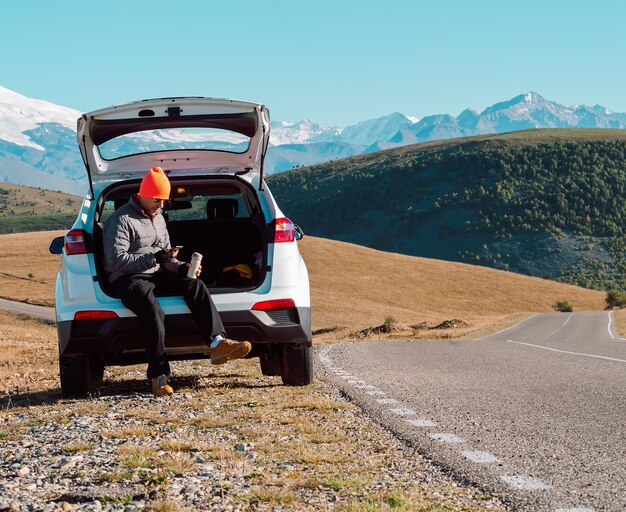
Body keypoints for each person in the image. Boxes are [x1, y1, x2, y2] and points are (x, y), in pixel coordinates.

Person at [103, 166, 251, 396]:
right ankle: (158, 376)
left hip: (156, 271)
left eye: (164, 200)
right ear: (142, 195)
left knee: (195, 285)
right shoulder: (121, 219)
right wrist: (154, 258)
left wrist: (180, 267)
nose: (161, 206)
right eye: (157, 200)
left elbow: (166, 257)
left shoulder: (159, 218)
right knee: (152, 310)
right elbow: (116, 260)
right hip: (127, 277)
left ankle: (217, 343)